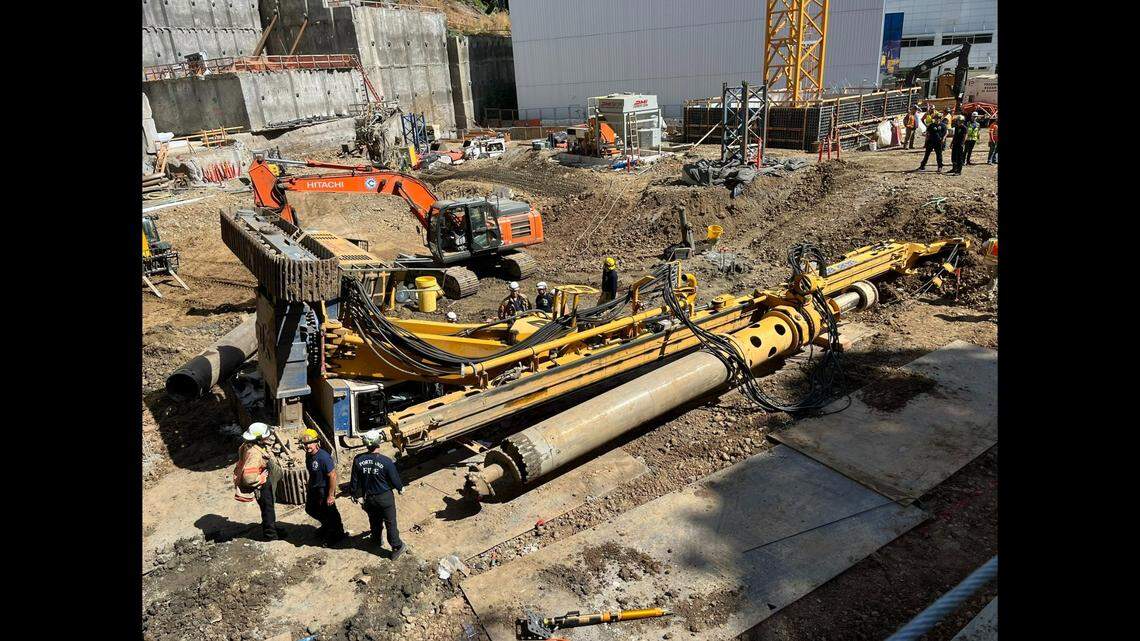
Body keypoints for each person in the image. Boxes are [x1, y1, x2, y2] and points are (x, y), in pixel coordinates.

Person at [350, 430, 407, 560]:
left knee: (374, 520)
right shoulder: (386, 461)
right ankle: (397, 547)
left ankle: (376, 540)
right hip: (385, 498)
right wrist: (400, 488)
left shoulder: (358, 460)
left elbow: (354, 481)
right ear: (379, 443)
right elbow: (395, 479)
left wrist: (354, 494)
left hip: (368, 499)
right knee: (390, 523)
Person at [233, 422, 286, 541]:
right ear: (259, 438)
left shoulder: (248, 445)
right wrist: (261, 478)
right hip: (261, 486)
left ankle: (272, 528)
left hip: (261, 482)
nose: (268, 437)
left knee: (268, 509)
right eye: (265, 436)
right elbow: (249, 478)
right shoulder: (255, 454)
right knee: (268, 510)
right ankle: (270, 535)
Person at [301, 428, 346, 545]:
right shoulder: (308, 455)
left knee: (330, 513)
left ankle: (337, 535)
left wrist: (331, 495)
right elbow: (312, 472)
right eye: (305, 444)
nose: (307, 446)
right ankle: (326, 526)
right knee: (310, 509)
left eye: (310, 443)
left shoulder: (324, 457)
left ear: (317, 443)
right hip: (314, 487)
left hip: (324, 489)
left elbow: (332, 475)